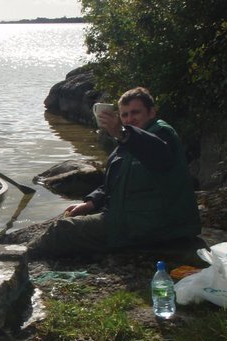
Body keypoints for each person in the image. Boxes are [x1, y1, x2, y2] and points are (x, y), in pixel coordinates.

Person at [28, 86, 201, 257]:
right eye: (125, 115)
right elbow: (113, 182)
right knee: (67, 222)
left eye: (136, 113)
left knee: (60, 231)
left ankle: (19, 256)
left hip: (156, 225)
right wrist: (90, 203)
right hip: (135, 220)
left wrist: (121, 133)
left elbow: (159, 156)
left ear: (152, 113)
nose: (129, 119)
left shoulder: (162, 133)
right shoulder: (127, 142)